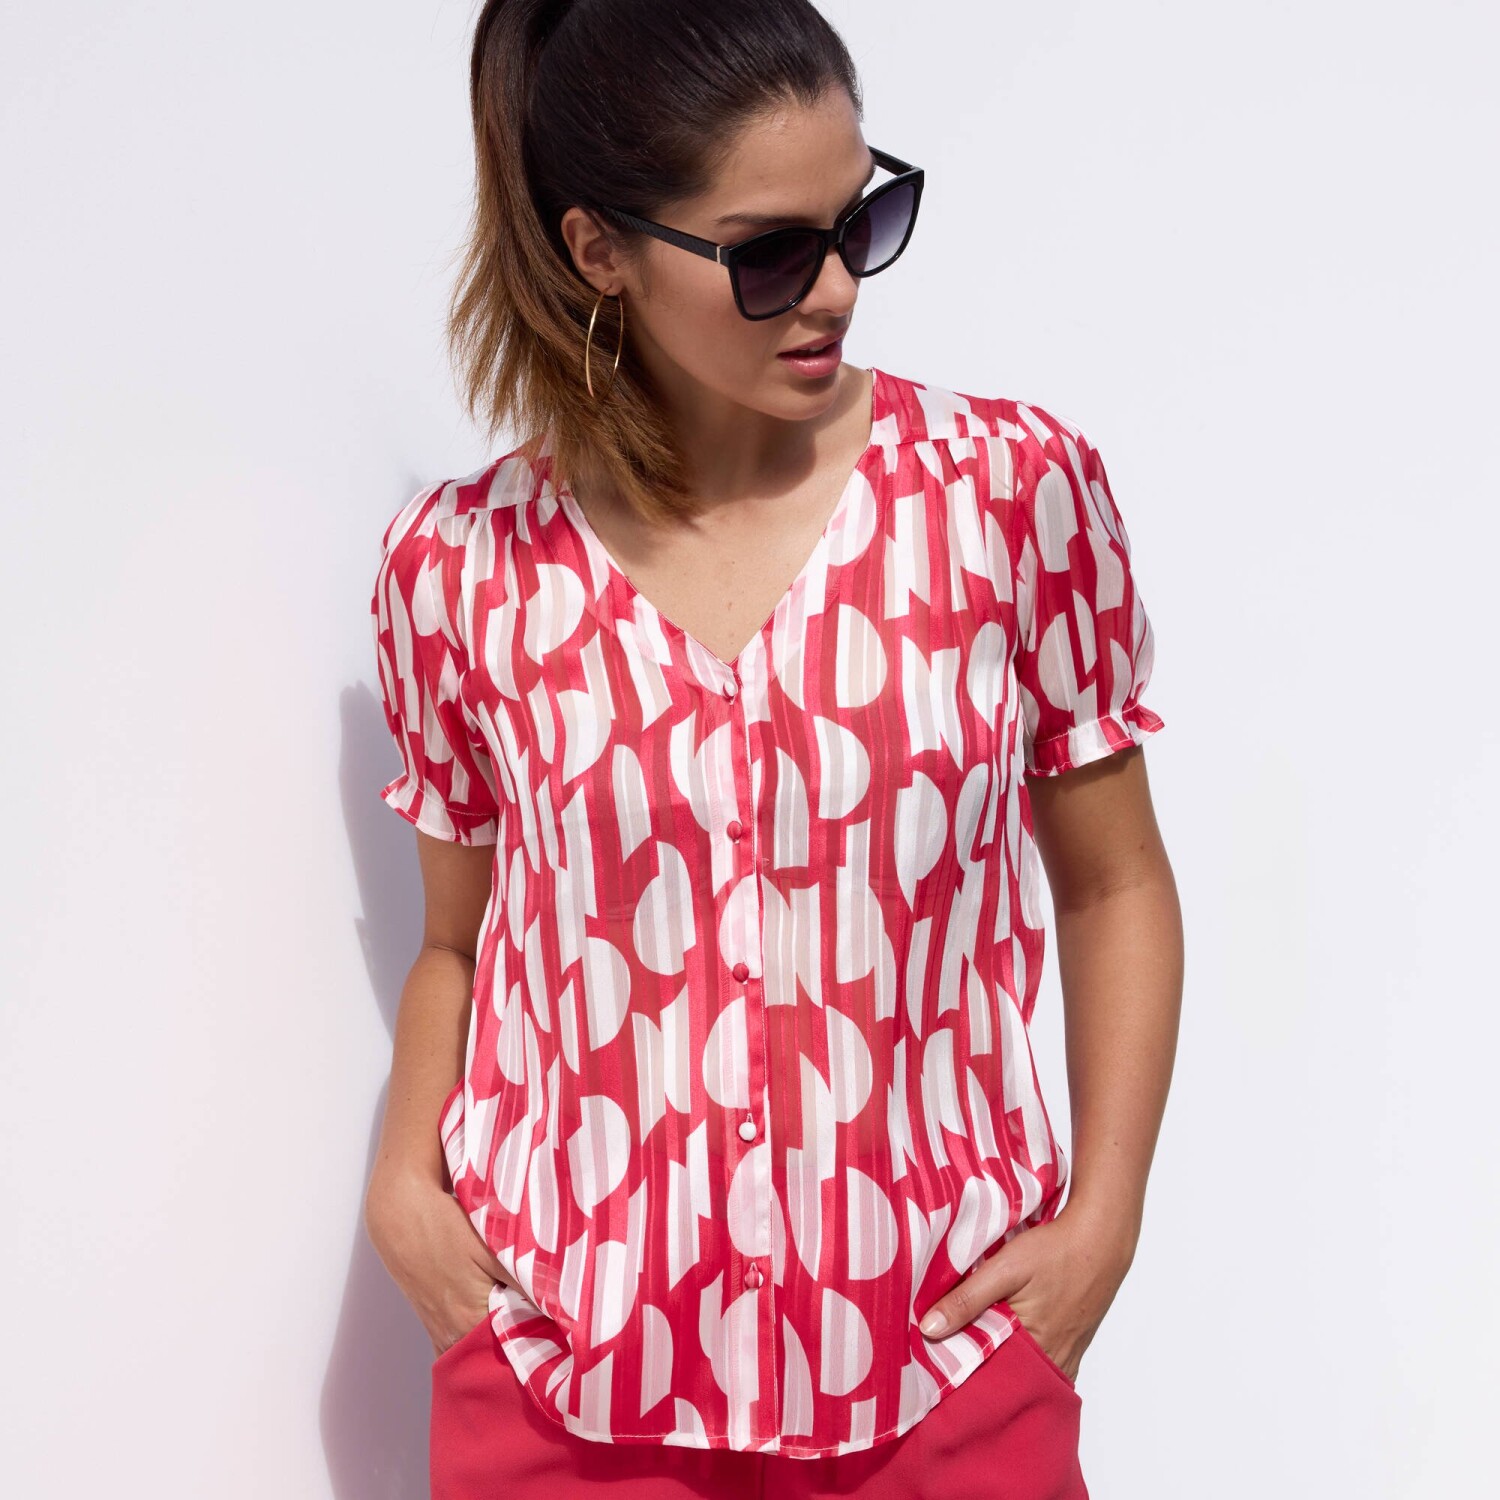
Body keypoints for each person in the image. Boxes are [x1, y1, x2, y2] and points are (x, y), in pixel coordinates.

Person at [363, 2, 1183, 1496]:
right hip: (564, 1386)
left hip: (943, 1375)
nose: (836, 291)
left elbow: (1115, 884)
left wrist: (1104, 1226)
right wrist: (403, 1196)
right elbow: (456, 942)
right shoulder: (461, 569)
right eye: (769, 253)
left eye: (861, 220)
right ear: (599, 251)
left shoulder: (1009, 496)